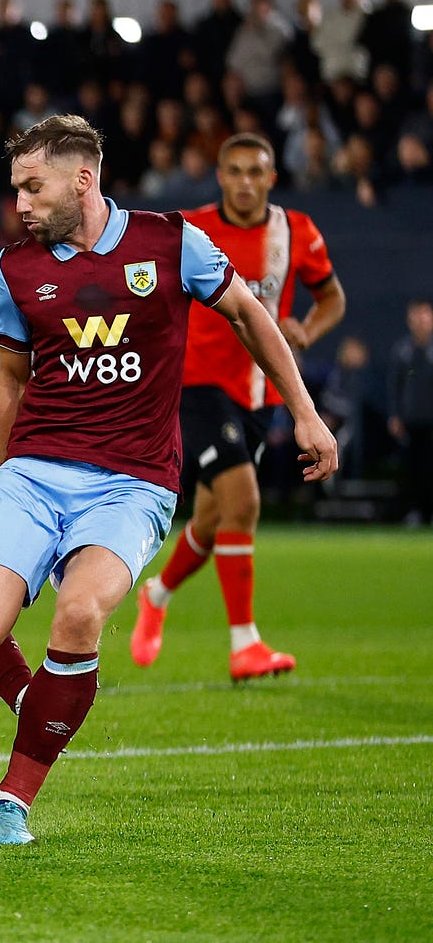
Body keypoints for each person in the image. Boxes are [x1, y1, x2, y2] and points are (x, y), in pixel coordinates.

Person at [0, 115, 337, 845]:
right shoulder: (15, 266)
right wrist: (10, 472)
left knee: (79, 617)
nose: (19, 203)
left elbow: (249, 312)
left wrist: (305, 413)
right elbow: (11, 379)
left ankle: (12, 799)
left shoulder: (171, 243)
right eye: (15, 187)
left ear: (82, 178)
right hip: (34, 475)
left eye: (32, 185)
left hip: (133, 483)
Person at [131, 133, 346, 679]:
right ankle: (245, 644)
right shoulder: (187, 229)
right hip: (194, 385)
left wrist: (308, 328)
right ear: (221, 177)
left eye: (257, 171)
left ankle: (157, 594)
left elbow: (332, 297)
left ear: (272, 178)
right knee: (243, 501)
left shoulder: (297, 232)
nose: (246, 182)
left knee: (212, 517)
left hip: (259, 391)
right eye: (235, 171)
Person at [388, 298, 433, 526]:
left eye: (425, 315)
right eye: (416, 315)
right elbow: (394, 386)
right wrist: (395, 415)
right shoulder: (402, 352)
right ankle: (416, 511)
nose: (421, 321)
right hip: (412, 420)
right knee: (413, 470)